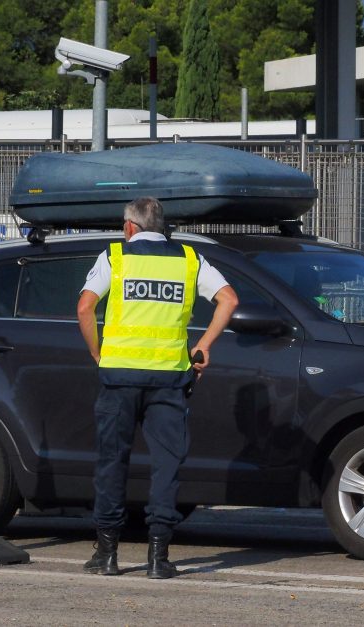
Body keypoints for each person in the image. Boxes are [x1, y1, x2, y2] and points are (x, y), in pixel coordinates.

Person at [76, 197, 239, 579]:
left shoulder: (115, 257)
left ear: (130, 227)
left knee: (112, 462)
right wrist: (204, 345)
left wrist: (98, 353)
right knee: (166, 465)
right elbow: (228, 299)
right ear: (160, 226)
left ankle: (108, 553)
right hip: (169, 377)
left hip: (118, 377)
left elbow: (85, 307)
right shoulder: (188, 259)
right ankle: (158, 557)